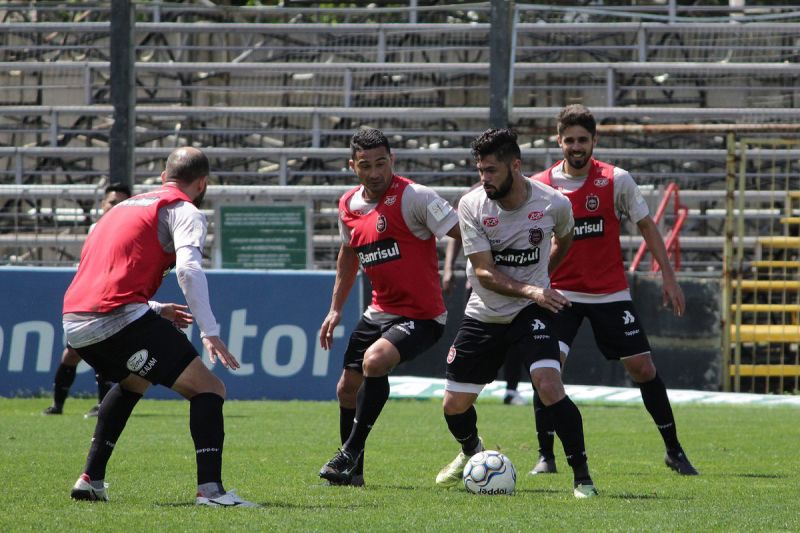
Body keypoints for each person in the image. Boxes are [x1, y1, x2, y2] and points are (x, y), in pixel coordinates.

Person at [62, 147, 257, 506]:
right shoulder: (185, 210)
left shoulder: (120, 208)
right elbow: (188, 270)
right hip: (116, 318)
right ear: (202, 183)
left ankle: (90, 479)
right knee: (209, 389)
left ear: (164, 175)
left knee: (134, 380)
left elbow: (100, 273)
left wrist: (153, 307)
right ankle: (210, 491)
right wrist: (209, 329)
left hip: (75, 323)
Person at [528, 103, 698, 476]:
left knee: (642, 367)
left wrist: (667, 275)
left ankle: (673, 449)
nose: (576, 146)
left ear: (594, 141)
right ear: (559, 142)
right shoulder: (541, 185)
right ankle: (546, 456)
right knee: (547, 369)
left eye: (583, 140)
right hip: (560, 294)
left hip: (609, 292)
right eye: (569, 140)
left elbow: (647, 226)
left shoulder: (616, 179)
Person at [435, 128, 598, 499]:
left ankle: (583, 478)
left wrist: (543, 279)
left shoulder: (553, 204)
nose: (484, 178)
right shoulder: (472, 204)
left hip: (530, 311)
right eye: (480, 170)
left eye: (491, 170)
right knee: (453, 406)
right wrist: (535, 288)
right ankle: (471, 451)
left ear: (515, 166)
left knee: (548, 384)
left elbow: (565, 237)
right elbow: (485, 273)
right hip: (485, 311)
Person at [318, 128, 460, 486]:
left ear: (392, 160)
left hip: (422, 315)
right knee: (346, 389)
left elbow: (463, 231)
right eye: (366, 165)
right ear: (353, 166)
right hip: (378, 312)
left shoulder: (415, 196)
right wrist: (335, 309)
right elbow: (348, 255)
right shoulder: (348, 205)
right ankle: (354, 474)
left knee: (374, 362)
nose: (375, 172)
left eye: (381, 163)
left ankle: (348, 452)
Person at [43, 183, 160, 418]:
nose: (116, 207)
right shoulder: (97, 228)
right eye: (112, 202)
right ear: (102, 205)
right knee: (72, 354)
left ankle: (102, 405)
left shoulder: (133, 229)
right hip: (90, 297)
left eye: (121, 202)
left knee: (105, 353)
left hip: (113, 297)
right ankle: (57, 405)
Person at [443, 208, 526, 406]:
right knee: (480, 338)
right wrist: (448, 268)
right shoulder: (471, 198)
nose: (487, 176)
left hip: (513, 283)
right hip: (478, 286)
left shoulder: (514, 197)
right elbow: (457, 235)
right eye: (483, 173)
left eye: (492, 172)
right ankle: (469, 387)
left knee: (514, 340)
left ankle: (511, 390)